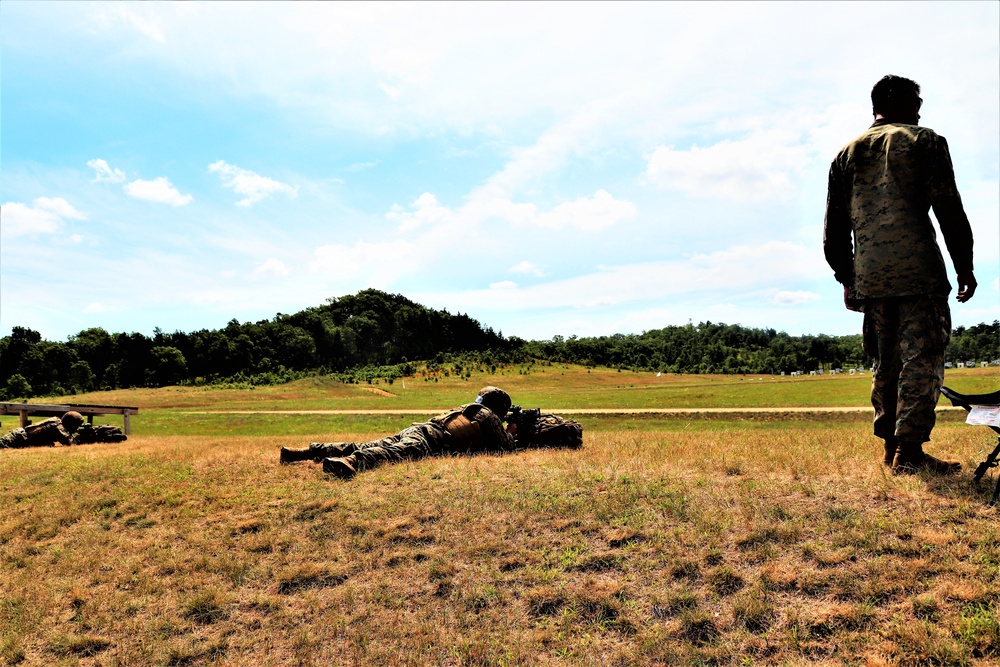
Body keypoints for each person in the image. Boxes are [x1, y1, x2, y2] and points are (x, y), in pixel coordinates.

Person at [824, 75, 977, 475]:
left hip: (871, 278)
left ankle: (891, 450)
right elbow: (949, 210)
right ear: (900, 102)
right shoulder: (924, 140)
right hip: (918, 273)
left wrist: (847, 278)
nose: (920, 110)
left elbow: (834, 229)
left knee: (885, 363)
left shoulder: (846, 154)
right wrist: (965, 266)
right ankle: (909, 454)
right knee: (921, 360)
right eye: (916, 101)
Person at [281, 386, 582, 479]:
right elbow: (505, 450)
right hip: (430, 439)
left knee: (371, 442)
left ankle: (304, 453)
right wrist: (514, 431)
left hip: (419, 428)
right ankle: (352, 463)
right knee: (391, 453)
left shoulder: (471, 409)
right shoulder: (489, 417)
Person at [0, 411, 85, 449]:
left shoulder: (57, 423)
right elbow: (70, 443)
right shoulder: (57, 426)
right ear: (70, 424)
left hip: (20, 437)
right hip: (17, 438)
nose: (76, 429)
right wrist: (84, 438)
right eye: (76, 426)